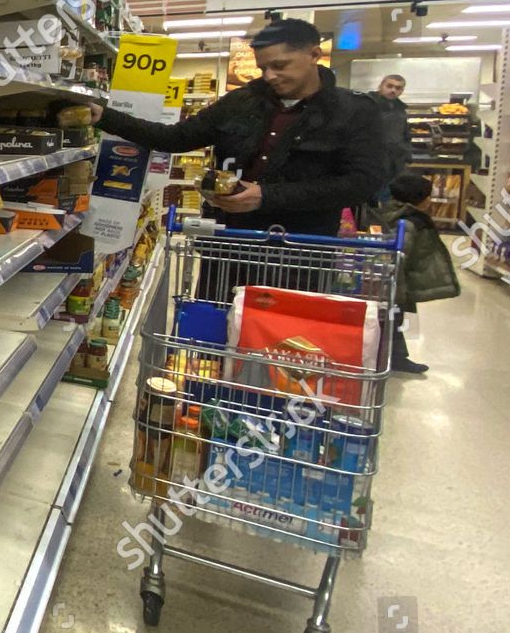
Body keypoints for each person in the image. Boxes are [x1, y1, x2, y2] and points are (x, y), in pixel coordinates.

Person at [87, 18, 386, 237]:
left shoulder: (355, 111)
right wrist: (103, 116)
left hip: (299, 247)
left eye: (280, 65)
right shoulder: (242, 101)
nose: (269, 76)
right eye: (263, 67)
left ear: (314, 55)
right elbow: (174, 138)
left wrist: (266, 196)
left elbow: (362, 183)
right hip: (229, 240)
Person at [379, 171, 462, 375]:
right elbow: (400, 257)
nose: (430, 200)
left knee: (399, 320)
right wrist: (398, 288)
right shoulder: (408, 222)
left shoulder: (396, 214)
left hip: (402, 281)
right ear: (417, 199)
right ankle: (396, 358)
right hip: (400, 282)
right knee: (396, 320)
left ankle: (397, 356)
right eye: (427, 196)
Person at [370, 73, 412, 203]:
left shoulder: (400, 109)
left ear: (402, 91)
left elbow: (404, 133)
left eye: (398, 88)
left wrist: (407, 154)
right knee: (371, 200)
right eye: (389, 86)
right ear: (381, 86)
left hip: (395, 162)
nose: (393, 90)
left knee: (388, 200)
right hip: (372, 161)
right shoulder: (368, 104)